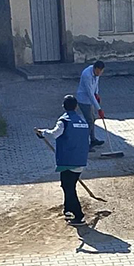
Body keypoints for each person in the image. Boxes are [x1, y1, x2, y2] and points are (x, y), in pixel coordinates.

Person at [35, 95, 90, 227]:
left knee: (68, 187)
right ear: (76, 107)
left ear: (63, 107)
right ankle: (68, 209)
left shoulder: (64, 121)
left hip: (68, 160)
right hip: (81, 159)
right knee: (68, 185)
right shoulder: (83, 122)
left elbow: (54, 134)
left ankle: (78, 215)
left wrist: (42, 132)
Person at [76, 60, 105, 150]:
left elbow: (96, 84)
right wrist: (99, 109)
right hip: (84, 100)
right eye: (98, 72)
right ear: (95, 68)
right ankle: (84, 144)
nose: (99, 74)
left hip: (90, 100)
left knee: (92, 119)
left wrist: (97, 93)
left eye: (101, 72)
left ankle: (93, 140)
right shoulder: (87, 75)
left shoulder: (97, 73)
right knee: (90, 121)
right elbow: (89, 93)